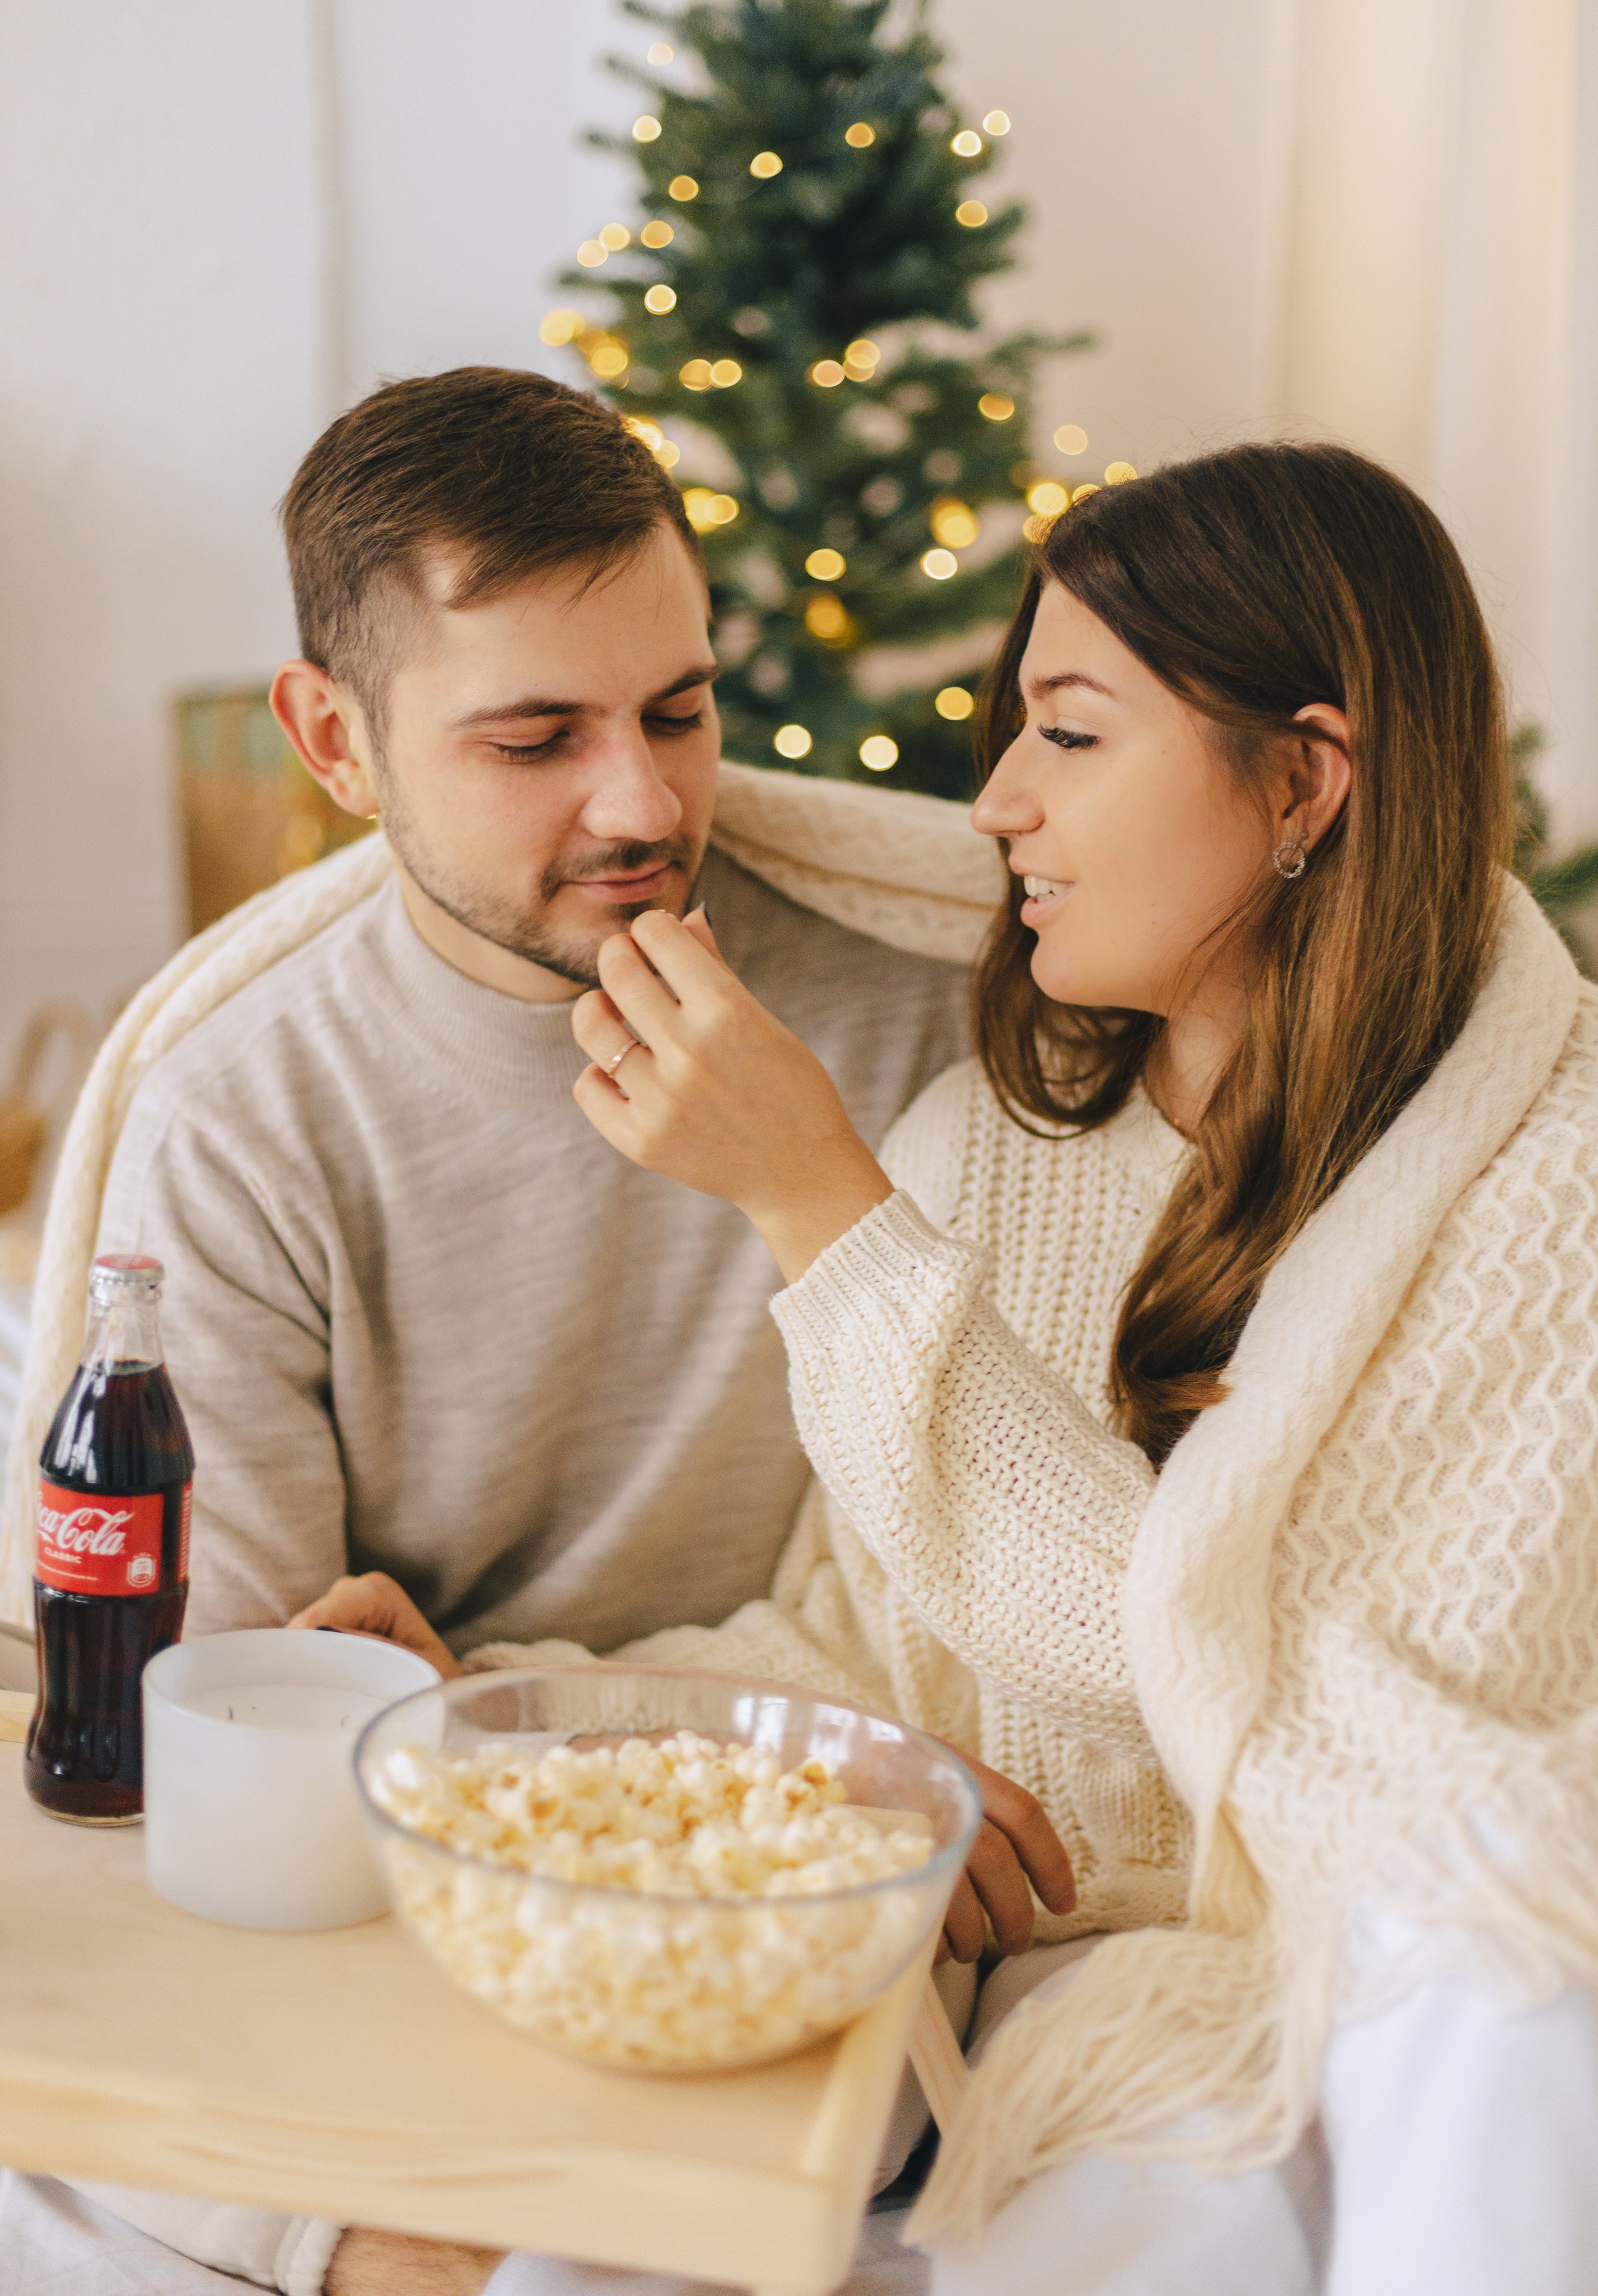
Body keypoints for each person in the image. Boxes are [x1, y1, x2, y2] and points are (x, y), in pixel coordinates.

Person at [0, 366, 1072, 2296]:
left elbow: (1035, 1556)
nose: (644, 803)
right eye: (534, 738)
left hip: (822, 1853)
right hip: (512, 1847)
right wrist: (645, 1753)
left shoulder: (929, 994)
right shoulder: (238, 1118)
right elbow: (254, 1764)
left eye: (680, 709)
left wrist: (806, 1179)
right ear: (337, 741)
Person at [554, 442, 1598, 2294]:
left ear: (1304, 780)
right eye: (1010, 729)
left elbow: (1268, 1690)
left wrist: (822, 1214)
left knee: (1497, 1976)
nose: (996, 804)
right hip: (1076, 2019)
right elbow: (863, 1649)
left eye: (1071, 732)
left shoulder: (1550, 1190)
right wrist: (497, 1702)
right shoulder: (984, 1151)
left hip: (1424, 2000)